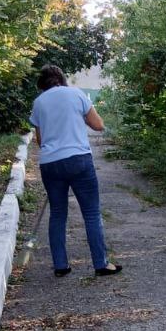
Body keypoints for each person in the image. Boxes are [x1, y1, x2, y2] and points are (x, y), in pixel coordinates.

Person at [29, 65, 122, 277]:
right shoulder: (76, 94)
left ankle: (60, 266)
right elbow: (98, 125)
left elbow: (40, 140)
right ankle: (101, 263)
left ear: (42, 84)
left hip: (51, 163)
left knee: (58, 214)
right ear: (62, 78)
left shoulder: (38, 103)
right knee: (91, 213)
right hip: (79, 160)